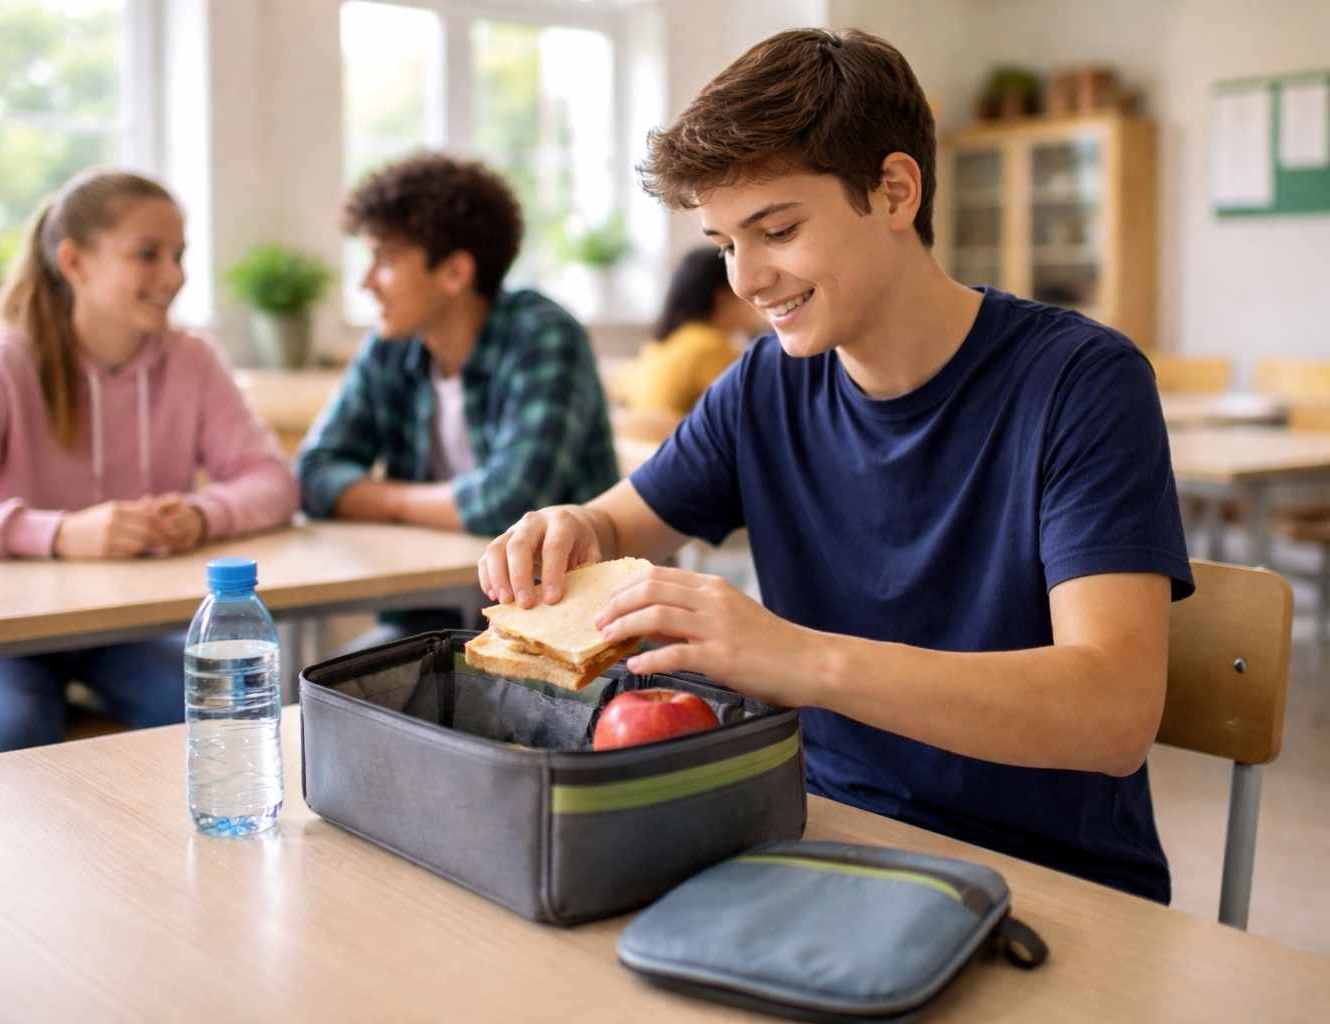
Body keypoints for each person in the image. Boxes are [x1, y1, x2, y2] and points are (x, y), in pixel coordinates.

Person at [479, 29, 1194, 903]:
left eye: (776, 230)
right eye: (723, 243)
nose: (745, 279)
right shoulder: (764, 385)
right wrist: (575, 527)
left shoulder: (1082, 382)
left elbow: (1113, 714)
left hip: (1050, 881)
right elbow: (621, 522)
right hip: (818, 836)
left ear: (895, 191)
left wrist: (796, 658)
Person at [0, 168, 298, 759]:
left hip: (125, 631)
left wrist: (201, 515)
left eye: (179, 255)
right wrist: (62, 532)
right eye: (148, 255)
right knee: (7, 738)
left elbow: (273, 482)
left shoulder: (192, 359)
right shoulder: (2, 365)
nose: (173, 276)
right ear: (74, 262)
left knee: (240, 715)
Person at [296, 153, 618, 640]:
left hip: (565, 614)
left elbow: (510, 500)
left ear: (453, 273)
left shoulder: (543, 334)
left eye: (384, 259)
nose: (366, 283)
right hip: (431, 612)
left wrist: (380, 497)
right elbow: (314, 473)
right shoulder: (389, 345)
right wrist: (408, 501)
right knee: (336, 686)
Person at [624, 246, 767, 416]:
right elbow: (752, 412)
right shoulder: (710, 347)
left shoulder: (664, 341)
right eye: (753, 291)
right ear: (724, 297)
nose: (759, 298)